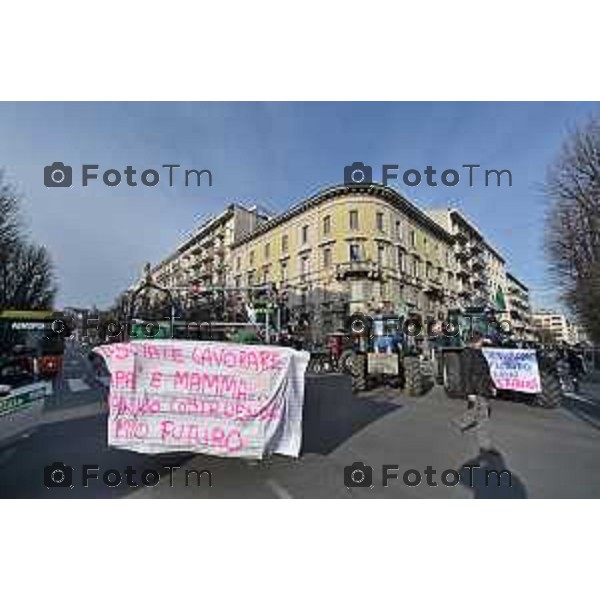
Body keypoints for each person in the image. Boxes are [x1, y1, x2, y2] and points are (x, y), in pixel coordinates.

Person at [458, 331, 496, 444]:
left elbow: (485, 371)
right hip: (477, 388)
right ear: (474, 342)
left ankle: (462, 423)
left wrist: (492, 386)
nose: (482, 343)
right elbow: (466, 374)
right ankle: (485, 445)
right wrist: (470, 392)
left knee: (474, 410)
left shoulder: (478, 352)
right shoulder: (467, 353)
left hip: (483, 387)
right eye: (480, 341)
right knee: (483, 417)